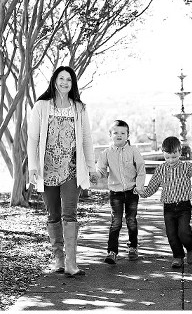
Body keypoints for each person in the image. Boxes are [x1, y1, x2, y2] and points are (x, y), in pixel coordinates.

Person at [27, 66, 98, 277]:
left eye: (69, 79)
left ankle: (71, 262)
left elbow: (86, 140)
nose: (65, 82)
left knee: (70, 213)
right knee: (53, 214)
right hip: (47, 170)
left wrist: (92, 168)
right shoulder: (41, 106)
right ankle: (58, 259)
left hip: (72, 169)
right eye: (61, 78)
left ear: (73, 83)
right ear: (54, 81)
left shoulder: (79, 108)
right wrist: (32, 167)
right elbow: (33, 139)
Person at [137, 137, 192, 269]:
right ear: (163, 153)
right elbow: (152, 186)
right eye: (168, 157)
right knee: (171, 234)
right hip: (168, 207)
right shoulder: (160, 170)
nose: (171, 160)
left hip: (184, 206)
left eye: (174, 157)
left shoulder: (185, 167)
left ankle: (190, 248)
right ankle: (178, 256)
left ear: (180, 152)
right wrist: (143, 193)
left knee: (183, 231)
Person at [93, 120, 146, 264]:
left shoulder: (133, 151)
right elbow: (101, 170)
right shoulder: (106, 153)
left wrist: (139, 186)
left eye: (123, 133)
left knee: (131, 221)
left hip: (132, 191)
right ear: (110, 135)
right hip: (115, 193)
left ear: (128, 135)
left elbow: (141, 169)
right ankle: (112, 252)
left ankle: (133, 247)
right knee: (116, 222)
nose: (119, 135)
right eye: (115, 132)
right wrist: (95, 176)